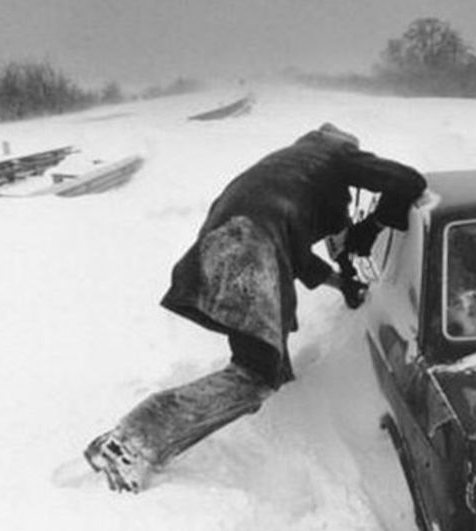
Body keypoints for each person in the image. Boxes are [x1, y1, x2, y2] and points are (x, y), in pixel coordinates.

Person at [84, 123, 426, 493]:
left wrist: (342, 282)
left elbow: (296, 254)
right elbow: (408, 181)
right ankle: (128, 441)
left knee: (267, 365)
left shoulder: (290, 169)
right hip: (250, 250)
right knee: (255, 376)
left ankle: (141, 441)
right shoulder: (334, 155)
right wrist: (370, 226)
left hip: (230, 247)